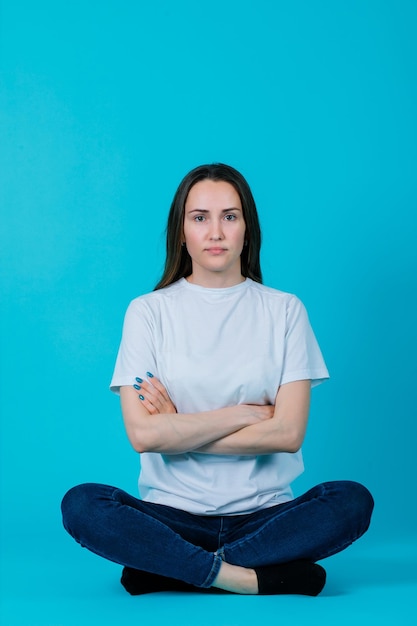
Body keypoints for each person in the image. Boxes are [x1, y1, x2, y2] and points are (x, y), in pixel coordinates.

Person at [61, 163, 374, 596]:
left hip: (266, 517)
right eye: (199, 217)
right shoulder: (148, 313)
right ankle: (243, 578)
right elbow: (142, 435)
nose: (215, 232)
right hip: (172, 516)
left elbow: (287, 433)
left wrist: (176, 429)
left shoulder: (284, 311)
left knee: (351, 500)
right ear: (181, 231)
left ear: (247, 228)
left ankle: (169, 567)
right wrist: (244, 414)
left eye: (230, 216)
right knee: (83, 504)